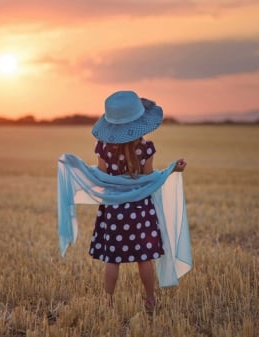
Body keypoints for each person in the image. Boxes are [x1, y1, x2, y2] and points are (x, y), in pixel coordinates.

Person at [89, 90, 187, 313]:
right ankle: (150, 299)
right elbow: (149, 180)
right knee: (144, 258)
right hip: (141, 210)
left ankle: (108, 302)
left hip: (113, 210)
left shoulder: (103, 148)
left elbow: (101, 178)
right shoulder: (146, 148)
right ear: (140, 122)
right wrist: (171, 170)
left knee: (112, 260)